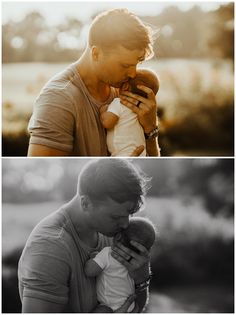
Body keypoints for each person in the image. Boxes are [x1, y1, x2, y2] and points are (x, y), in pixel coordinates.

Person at [18, 159, 153, 312]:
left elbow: (135, 307)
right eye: (115, 217)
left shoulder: (113, 232)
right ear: (86, 203)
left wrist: (141, 280)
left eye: (129, 214)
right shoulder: (50, 248)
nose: (125, 225)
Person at [27, 8, 161, 157]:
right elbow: (47, 176)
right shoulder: (58, 99)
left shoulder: (125, 90)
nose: (133, 73)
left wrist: (151, 129)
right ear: (96, 53)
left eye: (137, 63)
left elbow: (152, 171)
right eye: (124, 65)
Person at [84, 217, 157, 312]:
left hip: (108, 305)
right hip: (131, 306)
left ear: (118, 236)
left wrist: (93, 259)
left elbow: (89, 271)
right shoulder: (135, 264)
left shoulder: (107, 254)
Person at [100, 68, 159, 156]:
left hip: (124, 154)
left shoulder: (118, 103)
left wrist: (103, 112)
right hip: (142, 153)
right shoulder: (142, 113)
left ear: (125, 86)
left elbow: (108, 122)